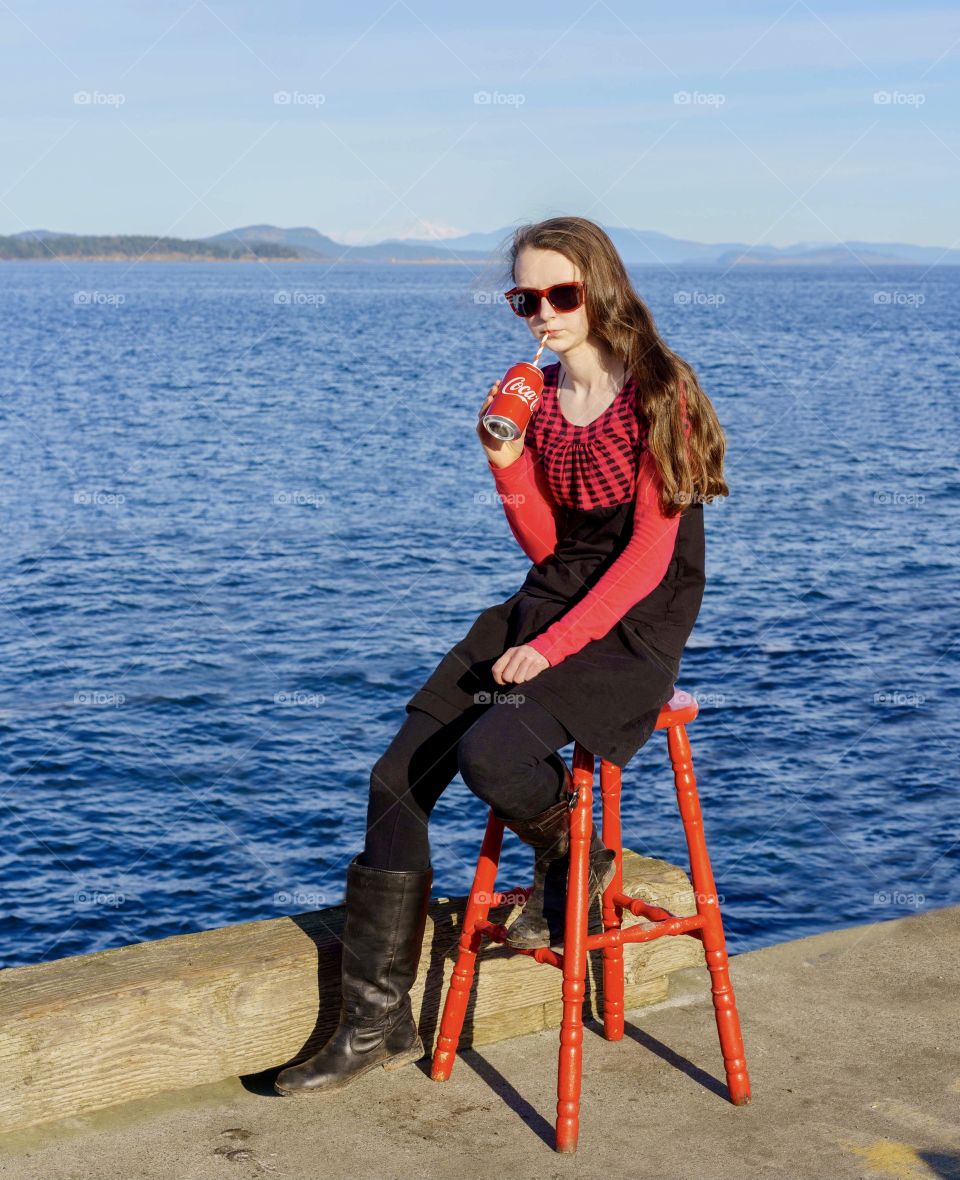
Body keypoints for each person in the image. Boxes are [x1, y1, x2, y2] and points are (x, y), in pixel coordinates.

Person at [274, 215, 729, 1098]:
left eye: (560, 294)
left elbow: (642, 559)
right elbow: (546, 546)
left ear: (603, 288)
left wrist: (552, 647)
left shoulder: (661, 392)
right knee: (395, 778)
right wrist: (507, 460)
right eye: (526, 298)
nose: (542, 313)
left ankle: (572, 853)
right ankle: (375, 1026)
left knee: (493, 751)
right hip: (553, 593)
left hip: (636, 622)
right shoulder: (543, 395)